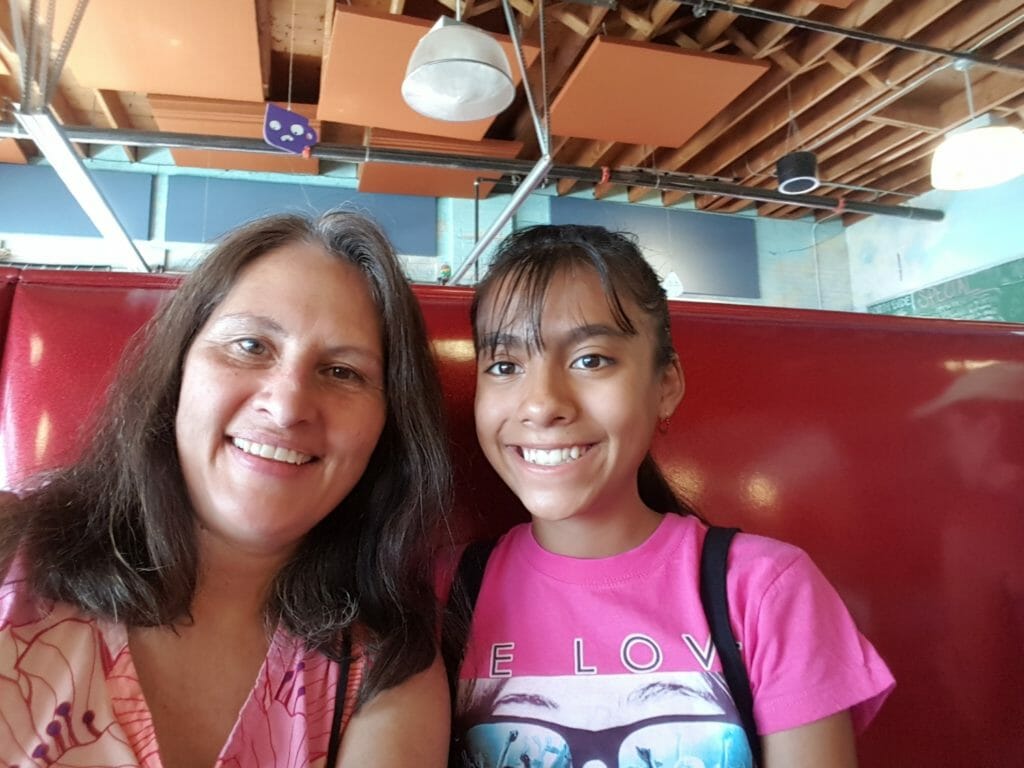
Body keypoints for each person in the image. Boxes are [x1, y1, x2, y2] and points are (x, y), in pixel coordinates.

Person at [0, 211, 451, 767]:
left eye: (342, 372)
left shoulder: (388, 668)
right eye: (251, 346)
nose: (286, 407)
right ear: (179, 371)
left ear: (389, 428)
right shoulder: (9, 547)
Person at [445, 224, 895, 768]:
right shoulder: (443, 595)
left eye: (590, 359)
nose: (542, 405)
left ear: (666, 386)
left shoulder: (766, 592)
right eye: (505, 366)